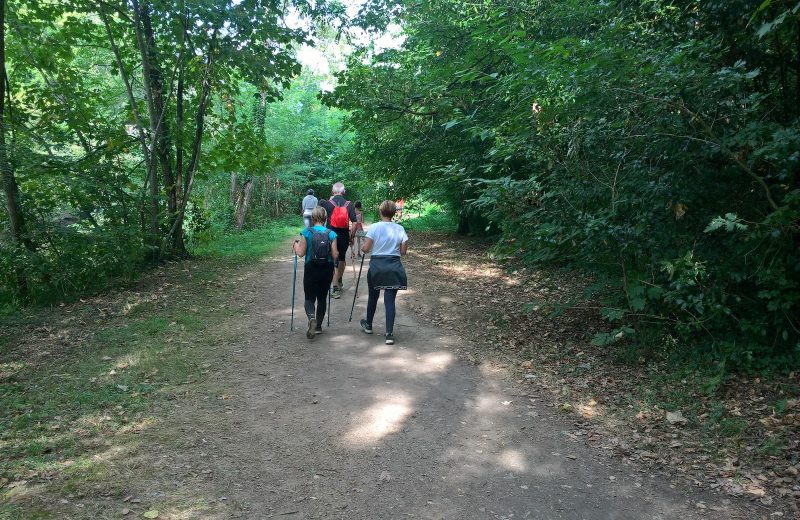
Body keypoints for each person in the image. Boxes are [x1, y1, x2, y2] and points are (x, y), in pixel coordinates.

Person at [360, 200, 408, 345]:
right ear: (394, 213)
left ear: (380, 212)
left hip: (377, 267)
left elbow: (366, 249)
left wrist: (363, 245)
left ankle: (368, 325)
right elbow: (403, 252)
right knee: (389, 301)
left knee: (373, 297)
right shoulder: (400, 229)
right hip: (393, 266)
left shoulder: (374, 227)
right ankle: (389, 334)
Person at [292, 206, 339, 339]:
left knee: (309, 298)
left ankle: (311, 318)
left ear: (312, 218)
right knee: (322, 298)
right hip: (327, 269)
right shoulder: (331, 233)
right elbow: (335, 255)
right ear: (326, 219)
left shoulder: (306, 232)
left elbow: (300, 253)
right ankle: (318, 327)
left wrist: (295, 245)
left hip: (311, 268)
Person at [319, 182, 357, 299]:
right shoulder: (349, 204)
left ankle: (335, 288)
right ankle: (339, 279)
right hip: (344, 235)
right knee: (341, 258)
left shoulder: (327, 204)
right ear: (344, 192)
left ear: (332, 192)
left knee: (332, 259)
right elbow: (355, 223)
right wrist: (352, 236)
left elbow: (319, 219)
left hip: (330, 235)